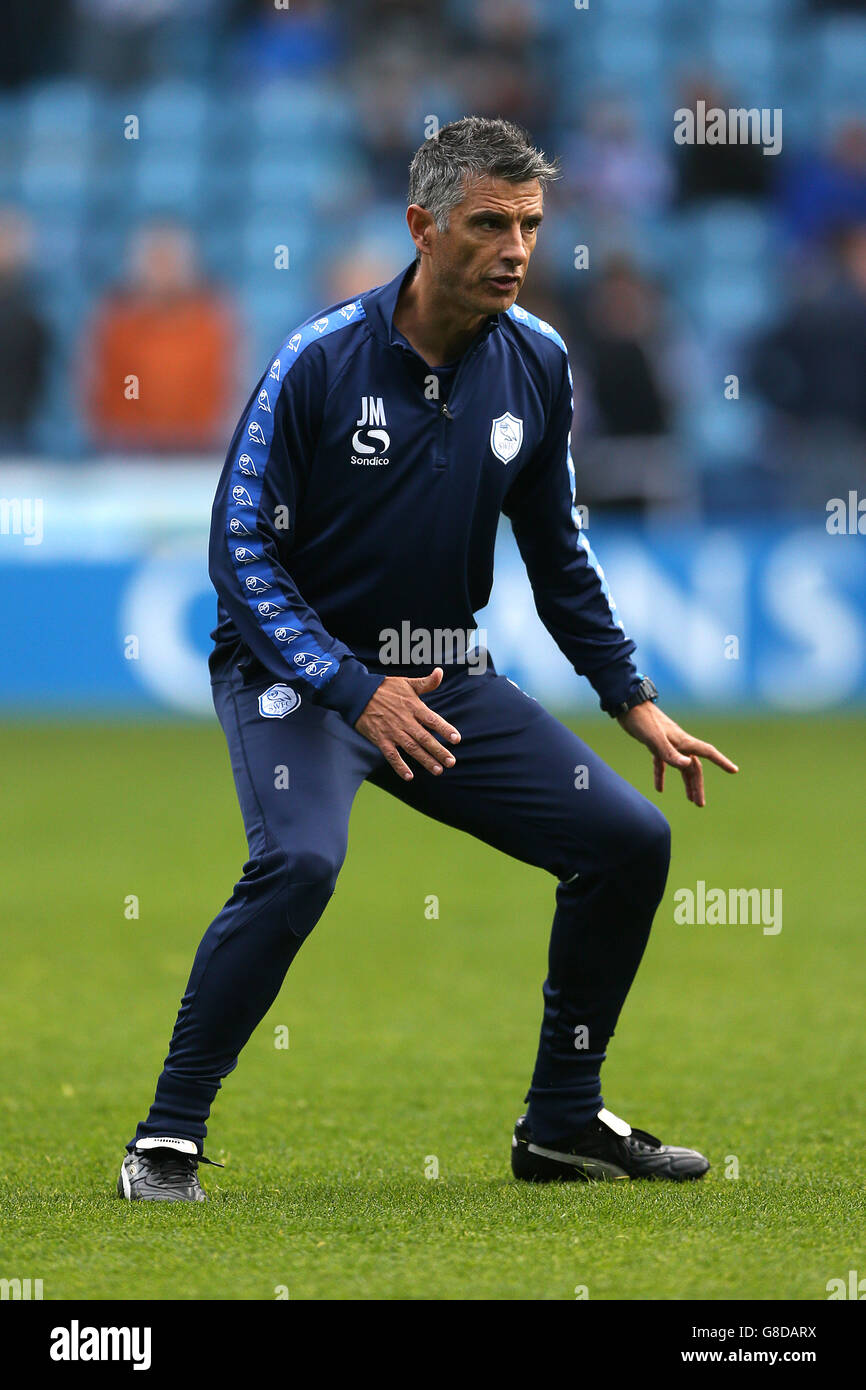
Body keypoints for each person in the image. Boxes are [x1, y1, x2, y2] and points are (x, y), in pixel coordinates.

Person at [118, 118, 737, 1203]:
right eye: (487, 223)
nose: (513, 248)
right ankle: (166, 1137)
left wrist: (630, 698)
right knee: (299, 863)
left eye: (530, 226)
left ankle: (559, 1121)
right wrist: (350, 687)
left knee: (627, 843)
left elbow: (559, 554)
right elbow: (237, 548)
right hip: (297, 675)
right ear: (422, 226)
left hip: (443, 674)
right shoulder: (315, 361)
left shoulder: (539, 363)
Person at [82, 219, 237, 455]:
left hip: (199, 454)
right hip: (127, 454)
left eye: (170, 261)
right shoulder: (115, 325)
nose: (163, 272)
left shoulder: (214, 323)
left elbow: (229, 387)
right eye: (155, 261)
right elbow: (97, 388)